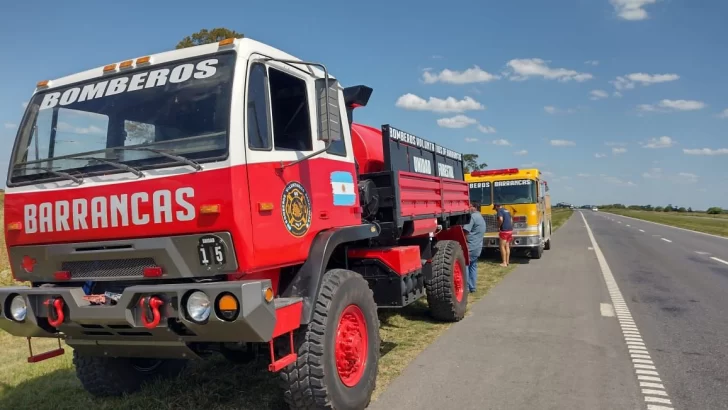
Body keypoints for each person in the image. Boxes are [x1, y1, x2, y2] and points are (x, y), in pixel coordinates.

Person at [462, 201, 486, 293]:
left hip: (470, 246)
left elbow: (465, 231)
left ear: (474, 207)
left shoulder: (472, 217)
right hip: (477, 246)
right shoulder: (481, 217)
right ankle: (472, 287)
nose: (468, 208)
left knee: (466, 265)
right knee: (473, 266)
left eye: (470, 206)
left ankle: (467, 288)